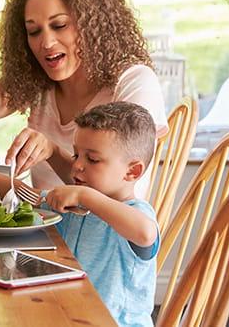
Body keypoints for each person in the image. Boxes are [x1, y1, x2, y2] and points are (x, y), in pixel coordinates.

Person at [0, 0, 167, 199]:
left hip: (103, 233)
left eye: (59, 25)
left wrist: (52, 151)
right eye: (34, 32)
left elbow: (113, 196)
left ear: (92, 25)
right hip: (45, 228)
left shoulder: (134, 82)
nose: (46, 43)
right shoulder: (36, 81)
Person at [44, 102, 159, 327]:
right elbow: (27, 197)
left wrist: (85, 196)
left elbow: (145, 234)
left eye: (92, 159)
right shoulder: (76, 202)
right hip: (68, 317)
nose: (76, 165)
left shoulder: (135, 213)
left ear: (132, 171)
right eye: (76, 154)